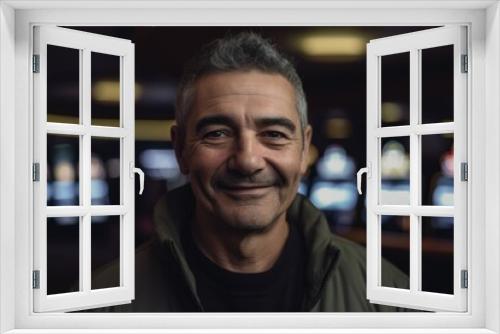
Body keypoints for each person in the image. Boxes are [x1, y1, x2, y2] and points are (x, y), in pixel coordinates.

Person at [94, 32, 409, 312]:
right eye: (217, 133)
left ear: (303, 150)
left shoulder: (390, 298)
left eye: (273, 134)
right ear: (181, 150)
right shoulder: (100, 306)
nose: (247, 161)